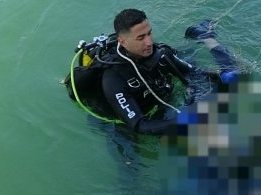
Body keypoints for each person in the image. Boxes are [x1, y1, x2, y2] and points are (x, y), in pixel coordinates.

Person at [99, 8, 240, 135]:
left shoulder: (159, 54)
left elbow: (193, 72)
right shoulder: (113, 78)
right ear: (123, 42)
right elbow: (140, 125)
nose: (149, 42)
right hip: (132, 119)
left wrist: (221, 75)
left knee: (234, 75)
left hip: (163, 100)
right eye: (141, 38)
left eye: (149, 33)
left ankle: (205, 37)